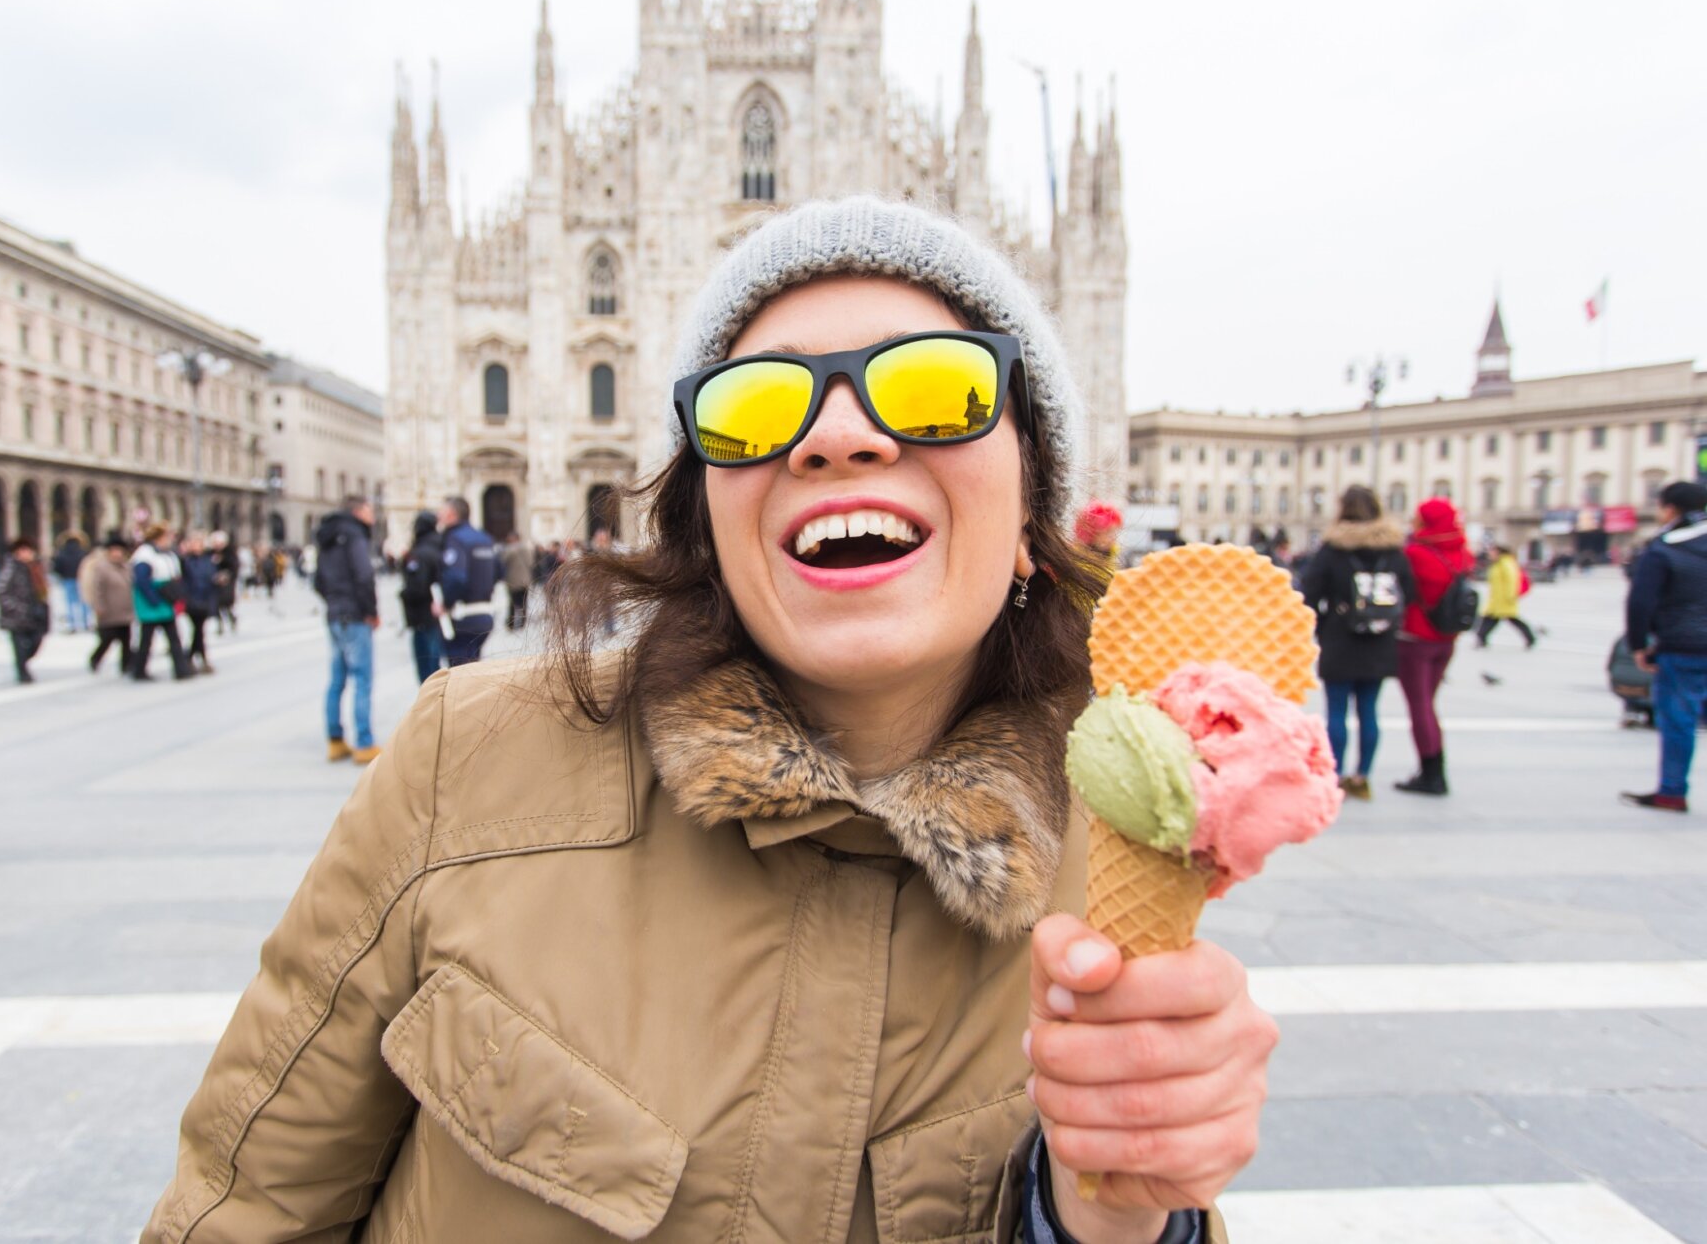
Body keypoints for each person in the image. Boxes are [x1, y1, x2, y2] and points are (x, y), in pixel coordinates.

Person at [145, 197, 1270, 1244]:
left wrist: (1111, 1216)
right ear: (703, 520)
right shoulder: (469, 761)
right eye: (756, 403)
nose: (839, 436)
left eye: (935, 389)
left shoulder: (1116, 869)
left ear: (1032, 513)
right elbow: (242, 1213)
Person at [1298, 485, 1415, 800]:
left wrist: (1324, 624)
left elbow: (1308, 593)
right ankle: (1363, 776)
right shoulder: (1393, 550)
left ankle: (1334, 775)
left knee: (1336, 709)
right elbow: (1409, 591)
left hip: (1340, 637)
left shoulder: (1334, 548)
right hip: (1380, 639)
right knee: (1369, 709)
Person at [1622, 480, 1707, 812]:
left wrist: (1638, 644)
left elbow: (1641, 602)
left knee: (1678, 719)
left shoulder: (1663, 548)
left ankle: (1672, 791)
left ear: (1669, 509)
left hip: (1681, 645)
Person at [1394, 496, 1475, 796]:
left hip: (1416, 639)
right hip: (1447, 639)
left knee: (1420, 707)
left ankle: (1432, 774)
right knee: (1429, 704)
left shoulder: (1415, 552)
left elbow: (1403, 587)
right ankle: (1431, 768)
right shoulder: (1463, 553)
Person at [314, 496, 380, 763]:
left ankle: (335, 740)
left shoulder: (327, 536)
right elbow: (364, 575)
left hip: (334, 614)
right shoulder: (354, 535)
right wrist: (370, 611)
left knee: (337, 680)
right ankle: (364, 743)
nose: (372, 515)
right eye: (369, 509)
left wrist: (333, 601)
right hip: (354, 615)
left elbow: (318, 579)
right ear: (358, 511)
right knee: (362, 678)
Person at [437, 496, 500, 666]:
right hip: (485, 614)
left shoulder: (455, 539)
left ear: (451, 514)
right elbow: (499, 571)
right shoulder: (485, 539)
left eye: (441, 512)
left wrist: (445, 603)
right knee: (473, 668)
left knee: (459, 673)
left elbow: (456, 577)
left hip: (462, 616)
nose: (438, 516)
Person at [130, 524, 193, 682]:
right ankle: (139, 670)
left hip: (165, 598)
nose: (171, 540)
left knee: (173, 636)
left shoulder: (167, 553)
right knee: (147, 638)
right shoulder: (145, 554)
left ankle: (181, 669)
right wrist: (154, 599)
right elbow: (142, 580)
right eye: (168, 536)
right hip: (152, 600)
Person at [0, 538, 51, 684]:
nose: (26, 554)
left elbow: (43, 589)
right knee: (19, 646)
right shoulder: (11, 568)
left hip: (36, 612)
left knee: (36, 641)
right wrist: (16, 607)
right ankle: (23, 672)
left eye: (28, 550)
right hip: (16, 616)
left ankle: (23, 665)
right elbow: (1, 591)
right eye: (22, 551)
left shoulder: (37, 566)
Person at [399, 509, 446, 683]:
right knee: (436, 664)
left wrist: (403, 595)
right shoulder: (441, 547)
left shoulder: (420, 553)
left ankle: (429, 706)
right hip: (439, 615)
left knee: (427, 668)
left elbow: (415, 588)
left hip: (422, 616)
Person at [81, 535, 135, 675]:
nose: (117, 553)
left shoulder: (126, 566)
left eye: (119, 550)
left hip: (125, 609)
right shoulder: (101, 567)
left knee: (126, 639)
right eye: (114, 550)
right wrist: (99, 606)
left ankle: (126, 664)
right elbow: (97, 588)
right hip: (108, 609)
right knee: (107, 638)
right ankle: (95, 658)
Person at [1475, 542, 1535, 649]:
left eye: (1492, 551)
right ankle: (1481, 638)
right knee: (1490, 619)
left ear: (1498, 552)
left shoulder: (1506, 563)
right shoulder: (1498, 563)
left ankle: (1531, 638)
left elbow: (1512, 581)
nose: (1490, 553)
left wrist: (1510, 596)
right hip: (1496, 599)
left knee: (1511, 619)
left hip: (1505, 599)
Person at [180, 535, 219, 674]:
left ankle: (191, 658)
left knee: (198, 630)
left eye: (199, 544)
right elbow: (185, 580)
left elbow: (210, 576)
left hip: (205, 598)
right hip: (192, 599)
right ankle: (198, 659)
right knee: (198, 630)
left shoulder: (208, 560)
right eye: (194, 543)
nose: (197, 547)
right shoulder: (185, 561)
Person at [51, 530, 91, 634]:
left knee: (70, 603)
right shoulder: (83, 553)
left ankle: (72, 625)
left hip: (68, 579)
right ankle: (86, 623)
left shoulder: (61, 553)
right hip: (82, 580)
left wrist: (62, 575)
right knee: (84, 602)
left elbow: (57, 567)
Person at [501, 529, 535, 630]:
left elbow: (503, 561)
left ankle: (511, 623)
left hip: (513, 580)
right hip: (525, 579)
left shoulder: (509, 549)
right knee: (523, 602)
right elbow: (531, 563)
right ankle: (522, 623)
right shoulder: (527, 549)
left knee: (512, 603)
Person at [210, 531, 240, 634]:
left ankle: (232, 618)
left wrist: (227, 576)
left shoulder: (229, 553)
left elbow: (234, 567)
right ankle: (220, 625)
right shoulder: (211, 553)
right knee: (217, 605)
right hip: (215, 583)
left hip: (227, 583)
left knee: (226, 604)